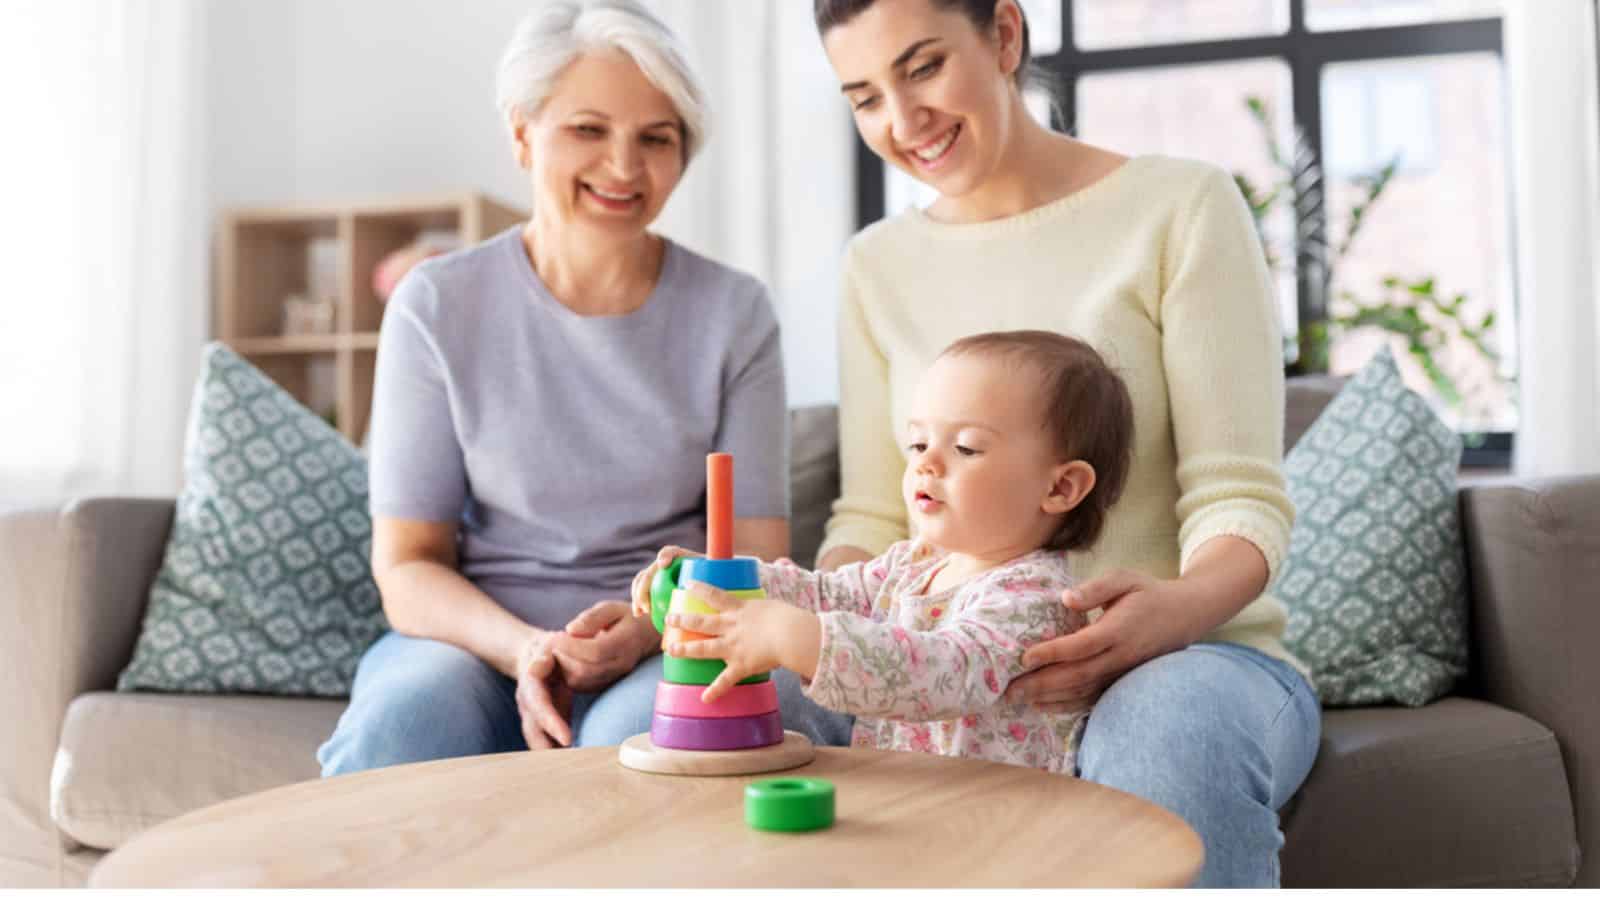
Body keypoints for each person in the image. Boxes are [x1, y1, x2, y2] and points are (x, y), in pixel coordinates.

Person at [810, 0, 1321, 887]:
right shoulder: (875, 265)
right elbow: (872, 512)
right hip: (947, 657)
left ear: (1004, 35)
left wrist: (1178, 608)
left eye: (923, 67)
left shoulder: (1180, 207)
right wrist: (802, 623)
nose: (901, 122)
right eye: (864, 97)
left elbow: (1237, 492)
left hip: (1193, 654)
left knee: (1166, 729)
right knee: (725, 697)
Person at [318, 0, 801, 775]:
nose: (623, 166)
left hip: (670, 634)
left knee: (643, 745)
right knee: (403, 728)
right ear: (521, 132)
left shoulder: (733, 313)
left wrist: (648, 628)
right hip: (477, 636)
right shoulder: (437, 304)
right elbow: (408, 564)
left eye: (657, 138)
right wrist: (528, 650)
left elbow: (755, 551)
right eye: (588, 129)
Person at [633, 331, 1134, 775]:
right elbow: (826, 593)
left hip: (1000, 825)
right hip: (912, 806)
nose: (926, 464)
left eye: (965, 448)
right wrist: (720, 580)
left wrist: (796, 638)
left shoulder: (1036, 600)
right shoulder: (912, 564)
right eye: (918, 444)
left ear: (1062, 487)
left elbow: (942, 671)